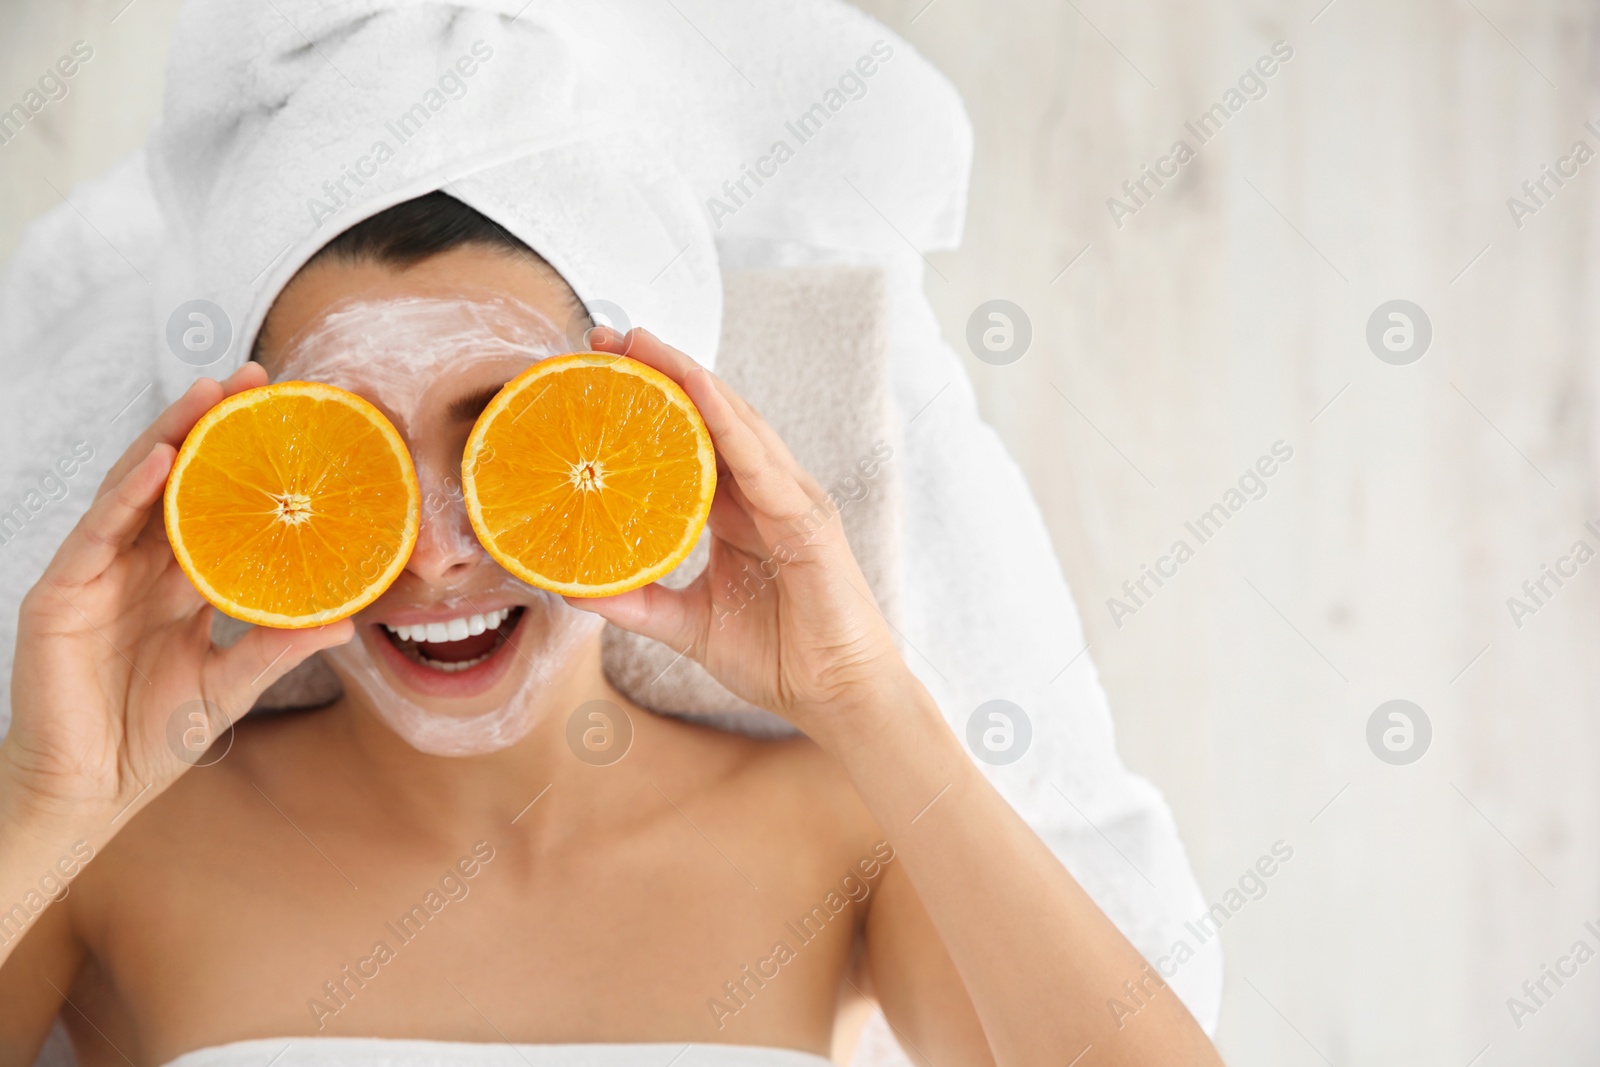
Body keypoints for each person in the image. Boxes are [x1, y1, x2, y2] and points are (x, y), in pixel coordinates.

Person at [0, 194, 1222, 1067]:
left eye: (505, 430)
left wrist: (865, 699)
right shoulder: (110, 847)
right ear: (238, 481)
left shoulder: (838, 829)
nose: (433, 550)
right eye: (347, 451)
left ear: (641, 443)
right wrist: (47, 795)